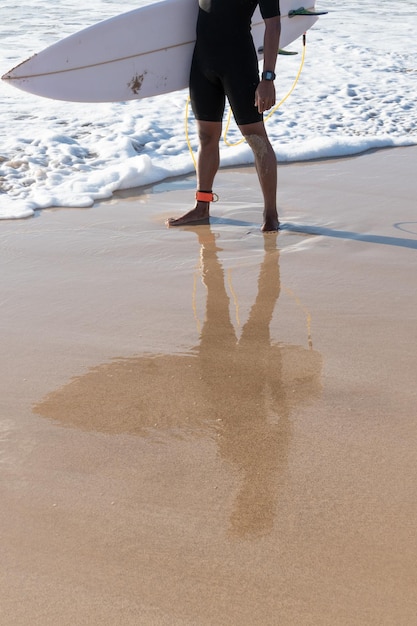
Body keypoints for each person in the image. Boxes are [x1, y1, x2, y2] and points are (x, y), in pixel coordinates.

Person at [166, 0, 281, 232]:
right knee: (206, 138)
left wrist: (267, 79)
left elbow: (274, 25)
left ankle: (271, 214)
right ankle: (202, 207)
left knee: (256, 139)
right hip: (202, 64)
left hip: (238, 64)